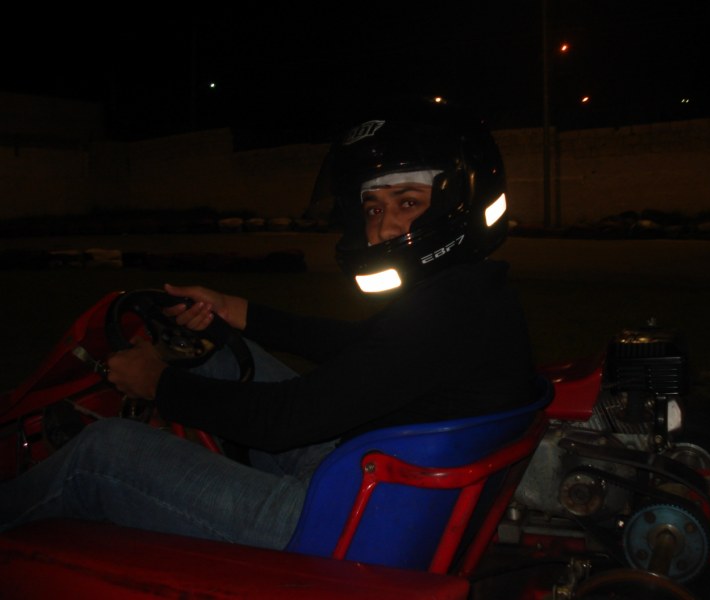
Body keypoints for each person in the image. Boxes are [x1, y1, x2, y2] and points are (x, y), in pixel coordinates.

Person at [0, 98, 536, 551]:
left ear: (459, 203)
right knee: (222, 354)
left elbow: (284, 421)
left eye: (408, 203)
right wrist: (238, 311)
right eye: (373, 208)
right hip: (381, 488)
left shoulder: (446, 311)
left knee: (102, 454)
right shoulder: (473, 295)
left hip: (339, 523)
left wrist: (157, 383)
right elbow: (363, 346)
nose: (382, 228)